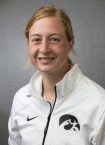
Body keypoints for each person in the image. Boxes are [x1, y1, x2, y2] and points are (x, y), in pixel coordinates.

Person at [8, 5, 105, 145]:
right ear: (28, 44)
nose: (44, 49)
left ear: (70, 44)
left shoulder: (99, 104)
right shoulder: (21, 99)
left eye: (54, 39)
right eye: (36, 39)